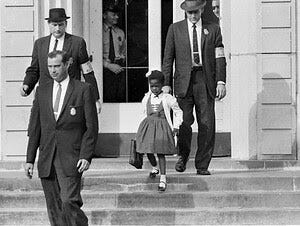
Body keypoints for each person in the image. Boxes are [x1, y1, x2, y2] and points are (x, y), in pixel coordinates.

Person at [24, 50, 98, 226]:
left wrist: (85, 156)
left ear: (67, 64)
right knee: (54, 209)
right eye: (50, 67)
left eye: (57, 66)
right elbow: (35, 127)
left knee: (68, 201)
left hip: (72, 157)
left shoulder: (83, 89)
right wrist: (29, 159)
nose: (53, 70)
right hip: (47, 157)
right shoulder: (41, 91)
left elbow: (91, 128)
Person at [162, 0, 226, 175]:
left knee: (207, 123)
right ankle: (183, 156)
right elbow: (168, 59)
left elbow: (220, 57)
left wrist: (221, 81)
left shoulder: (213, 29)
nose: (193, 16)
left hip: (205, 81)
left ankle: (202, 164)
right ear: (185, 12)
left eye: (196, 12)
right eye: (189, 13)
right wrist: (166, 84)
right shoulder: (175, 29)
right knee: (184, 122)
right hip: (183, 82)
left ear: (202, 10)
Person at [21, 8, 101, 113]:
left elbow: (88, 72)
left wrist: (95, 98)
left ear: (66, 24)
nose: (57, 29)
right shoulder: (40, 44)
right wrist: (27, 84)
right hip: (46, 95)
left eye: (61, 25)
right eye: (54, 25)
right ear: (49, 24)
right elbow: (34, 69)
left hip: (70, 95)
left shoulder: (77, 43)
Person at [136, 70, 183, 191]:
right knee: (148, 150)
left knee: (160, 152)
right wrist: (141, 128)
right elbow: (143, 112)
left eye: (157, 86)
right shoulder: (147, 98)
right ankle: (154, 166)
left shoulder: (168, 98)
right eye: (152, 86)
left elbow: (178, 112)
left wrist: (176, 126)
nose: (154, 89)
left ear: (162, 85)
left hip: (162, 127)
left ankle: (163, 178)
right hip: (148, 126)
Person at [103, 3, 126, 102]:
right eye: (113, 14)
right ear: (104, 15)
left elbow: (123, 52)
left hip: (118, 70)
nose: (117, 17)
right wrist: (108, 65)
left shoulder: (120, 32)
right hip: (104, 70)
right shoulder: (98, 32)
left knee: (119, 97)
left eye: (117, 14)